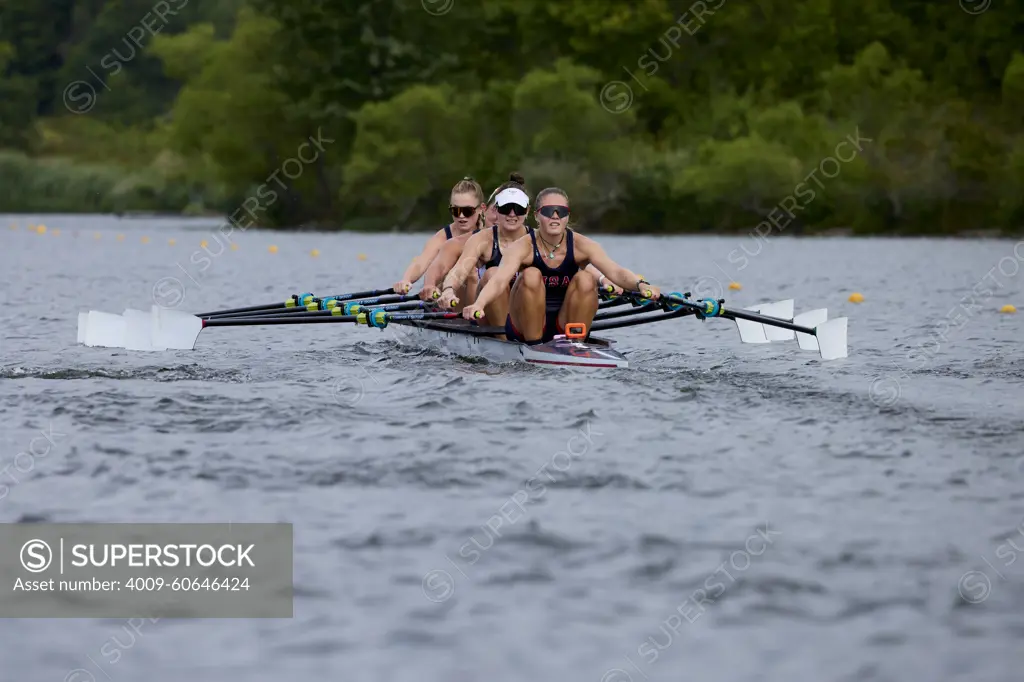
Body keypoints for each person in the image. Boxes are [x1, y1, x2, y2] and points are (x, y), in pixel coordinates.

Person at [462, 186, 661, 342]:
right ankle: (534, 346)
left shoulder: (583, 245)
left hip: (563, 321)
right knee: (531, 274)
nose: (555, 216)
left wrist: (641, 285)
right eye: (549, 211)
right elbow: (499, 280)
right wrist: (479, 304)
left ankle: (574, 343)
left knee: (585, 278)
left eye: (561, 211)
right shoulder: (523, 247)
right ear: (537, 215)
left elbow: (615, 271)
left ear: (568, 216)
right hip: (524, 325)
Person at [435, 174, 535, 323]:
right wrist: (448, 289)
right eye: (506, 208)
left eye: (518, 208)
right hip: (486, 314)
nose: (512, 214)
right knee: (492, 273)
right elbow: (460, 270)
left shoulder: (538, 239)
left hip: (526, 313)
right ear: (496, 209)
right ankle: (504, 340)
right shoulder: (481, 239)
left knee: (533, 275)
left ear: (527, 211)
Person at [393, 177, 485, 294]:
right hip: (450, 297)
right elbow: (421, 262)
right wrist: (406, 280)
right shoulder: (443, 236)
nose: (461, 216)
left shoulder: (490, 232)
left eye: (467, 211)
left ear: (481, 209)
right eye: (456, 211)